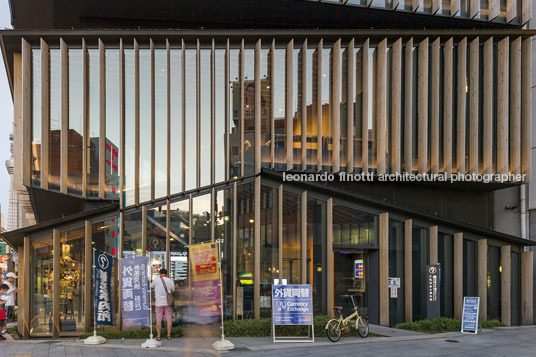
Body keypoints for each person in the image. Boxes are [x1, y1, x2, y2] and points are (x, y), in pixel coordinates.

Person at [150, 268, 175, 341]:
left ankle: (158, 336)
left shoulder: (156, 280)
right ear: (166, 273)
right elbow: (173, 291)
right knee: (169, 319)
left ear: (160, 273)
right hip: (168, 303)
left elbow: (151, 286)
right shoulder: (170, 281)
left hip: (159, 303)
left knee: (158, 320)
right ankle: (168, 335)